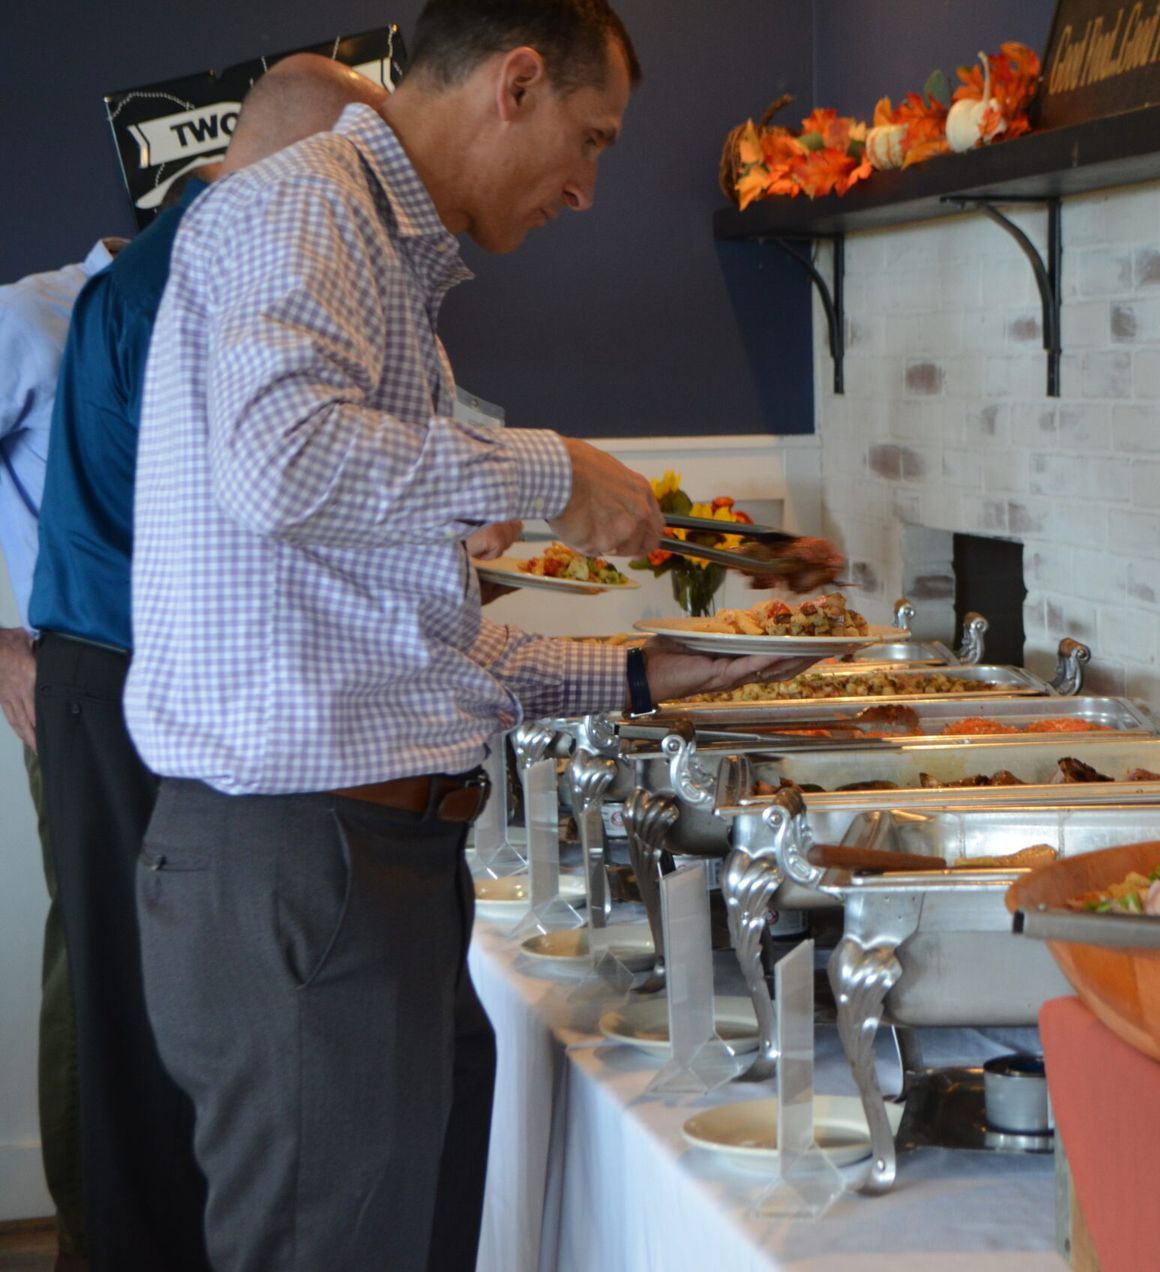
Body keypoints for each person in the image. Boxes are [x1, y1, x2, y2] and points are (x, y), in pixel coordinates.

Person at [123, 3, 817, 1266]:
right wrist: (547, 473)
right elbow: (280, 464)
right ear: (514, 82)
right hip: (306, 861)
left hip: (360, 858)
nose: (592, 189)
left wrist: (646, 673)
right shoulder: (311, 205)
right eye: (591, 139)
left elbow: (410, 641)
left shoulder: (387, 266)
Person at [33, 54, 395, 1272]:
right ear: (302, 160)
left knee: (163, 1027)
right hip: (115, 677)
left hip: (135, 676)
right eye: (356, 174)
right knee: (138, 1039)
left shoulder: (190, 260)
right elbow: (256, 508)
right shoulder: (199, 271)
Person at [0, 234, 122, 1267]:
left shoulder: (232, 319)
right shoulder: (30, 318)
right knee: (94, 960)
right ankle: (89, 1241)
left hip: (217, 710)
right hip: (81, 696)